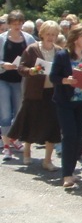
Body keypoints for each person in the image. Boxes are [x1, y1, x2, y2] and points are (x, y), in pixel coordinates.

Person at [8, 20, 61, 170]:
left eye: (54, 34)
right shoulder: (32, 49)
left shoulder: (59, 51)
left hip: (52, 92)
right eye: (48, 34)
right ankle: (26, 152)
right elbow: (21, 67)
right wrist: (30, 71)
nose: (50, 37)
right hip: (34, 92)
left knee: (53, 125)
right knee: (30, 122)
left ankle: (47, 160)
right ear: (42, 34)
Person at [51, 26, 82, 189]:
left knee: (80, 135)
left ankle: (72, 168)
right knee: (69, 135)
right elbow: (53, 76)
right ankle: (66, 175)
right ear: (76, 39)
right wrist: (65, 80)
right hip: (65, 102)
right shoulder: (62, 55)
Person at [1, 10, 36, 161]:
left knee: (18, 112)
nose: (17, 26)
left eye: (20, 23)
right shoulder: (2, 39)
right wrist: (3, 65)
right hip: (3, 79)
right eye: (14, 24)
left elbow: (34, 57)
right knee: (5, 113)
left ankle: (14, 139)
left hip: (20, 80)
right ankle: (6, 146)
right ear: (9, 24)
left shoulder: (28, 39)